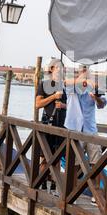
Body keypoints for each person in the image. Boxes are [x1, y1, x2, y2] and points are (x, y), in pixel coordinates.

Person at [64, 66, 107, 203]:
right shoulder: (72, 88)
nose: (84, 74)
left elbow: (102, 105)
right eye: (82, 71)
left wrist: (96, 98)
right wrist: (86, 80)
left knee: (97, 162)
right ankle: (73, 192)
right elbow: (67, 82)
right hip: (76, 129)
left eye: (86, 71)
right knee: (74, 163)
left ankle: (97, 194)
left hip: (90, 129)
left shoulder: (93, 88)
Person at [35, 58, 67, 189]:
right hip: (48, 125)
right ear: (52, 69)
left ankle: (54, 186)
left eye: (62, 68)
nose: (60, 70)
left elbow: (71, 107)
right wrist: (53, 97)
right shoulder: (44, 84)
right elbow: (38, 104)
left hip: (61, 127)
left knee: (58, 158)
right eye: (58, 67)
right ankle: (40, 183)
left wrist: (63, 105)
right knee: (45, 158)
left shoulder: (64, 86)